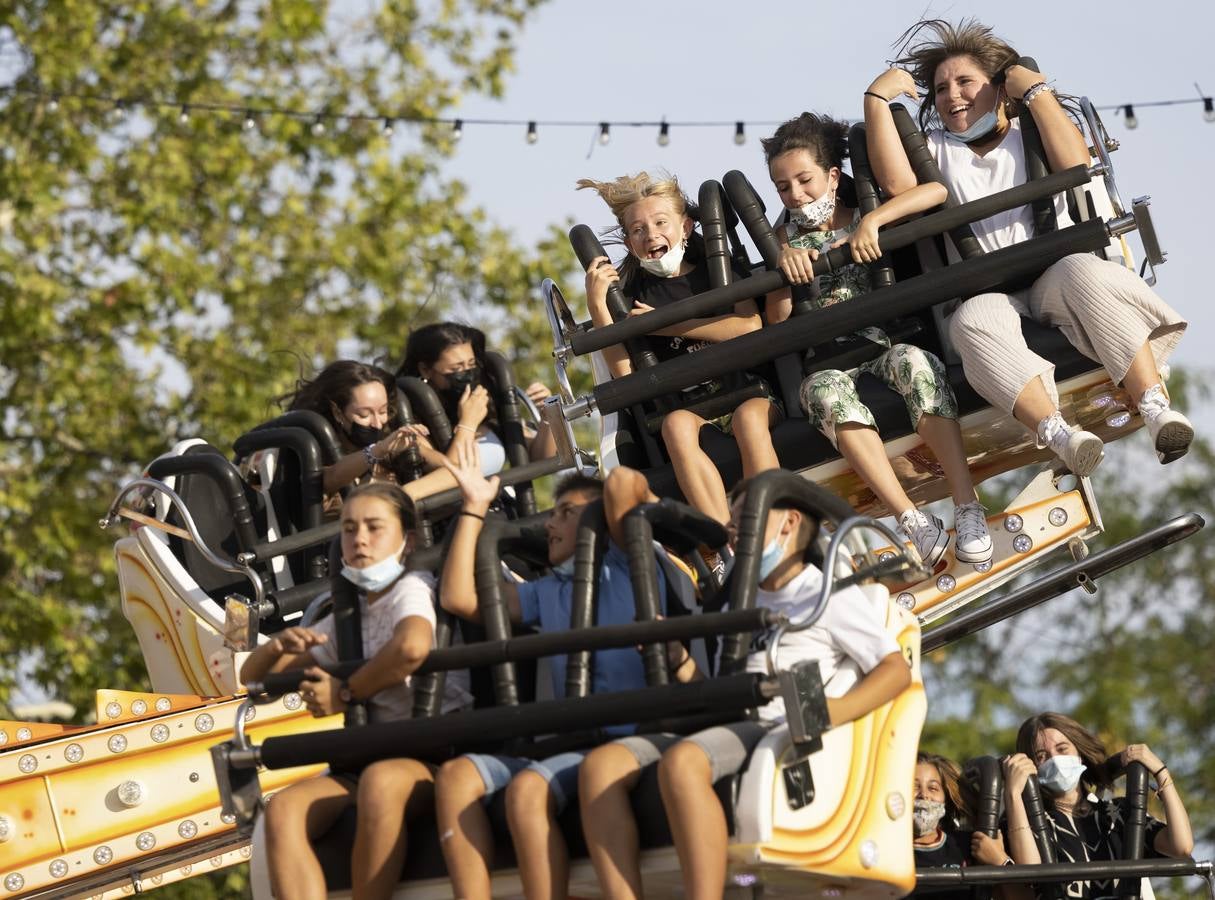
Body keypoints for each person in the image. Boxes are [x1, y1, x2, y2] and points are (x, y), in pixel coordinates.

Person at [863, 19, 1192, 475]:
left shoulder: (1029, 133)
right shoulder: (935, 149)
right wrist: (876, 100)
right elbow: (898, 184)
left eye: (965, 83)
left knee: (1086, 273)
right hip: (984, 289)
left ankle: (1155, 406)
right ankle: (1060, 435)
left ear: (998, 87)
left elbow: (1076, 162)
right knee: (972, 322)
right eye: (941, 89)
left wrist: (1034, 88)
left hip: (1052, 274)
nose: (952, 96)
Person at [581, 476, 912, 900]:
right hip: (719, 717)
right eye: (736, 525)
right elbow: (709, 686)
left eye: (746, 522)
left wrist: (828, 711)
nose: (736, 534)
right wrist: (677, 657)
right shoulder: (737, 596)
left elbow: (894, 669)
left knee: (684, 763)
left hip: (772, 728)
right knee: (600, 769)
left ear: (789, 523)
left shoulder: (822, 592)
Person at [436, 441, 680, 900]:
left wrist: (602, 510)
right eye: (554, 513)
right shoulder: (546, 591)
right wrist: (474, 507)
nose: (550, 523)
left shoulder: (629, 563)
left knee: (557, 784)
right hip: (577, 745)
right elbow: (456, 598)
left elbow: (626, 483)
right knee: (495, 785)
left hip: (644, 733)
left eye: (566, 512)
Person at [764, 112, 992, 566]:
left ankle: (967, 505)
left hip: (880, 342)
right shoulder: (781, 239)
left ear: (832, 177)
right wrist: (782, 272)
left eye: (805, 181)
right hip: (825, 358)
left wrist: (874, 223)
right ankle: (910, 520)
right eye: (783, 188)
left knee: (915, 363)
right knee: (827, 394)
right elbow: (776, 321)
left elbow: (935, 191)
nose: (796, 195)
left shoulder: (863, 212)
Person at [239, 482, 471, 900]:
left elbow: (412, 646)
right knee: (284, 810)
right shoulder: (348, 615)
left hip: (429, 753)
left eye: (373, 527)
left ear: (408, 539)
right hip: (365, 758)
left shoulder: (412, 589)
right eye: (348, 528)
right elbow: (254, 683)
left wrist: (345, 691)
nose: (359, 539)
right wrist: (276, 646)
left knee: (381, 783)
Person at [577, 172, 782, 528]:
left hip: (747, 393)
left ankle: (768, 526)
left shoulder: (719, 270)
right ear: (628, 244)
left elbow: (748, 326)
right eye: (638, 230)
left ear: (686, 227)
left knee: (748, 419)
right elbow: (624, 373)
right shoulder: (630, 298)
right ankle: (722, 542)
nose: (651, 235)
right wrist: (598, 307)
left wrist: (664, 323)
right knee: (674, 426)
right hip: (690, 408)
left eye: (660, 223)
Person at [1002, 712, 1194, 899]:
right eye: (1042, 756)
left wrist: (1161, 772)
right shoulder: (1025, 822)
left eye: (1062, 749)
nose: (1055, 760)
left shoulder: (1117, 813)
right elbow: (1029, 871)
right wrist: (1013, 793)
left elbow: (1181, 846)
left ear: (1080, 753)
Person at [395, 321, 557, 496]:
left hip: (501, 513)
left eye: (471, 365)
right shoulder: (412, 424)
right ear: (426, 370)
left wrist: (549, 415)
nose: (467, 374)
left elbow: (542, 459)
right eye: (456, 368)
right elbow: (454, 474)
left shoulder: (489, 409)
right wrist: (468, 423)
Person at [282, 360, 425, 512]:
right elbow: (331, 477)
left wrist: (404, 494)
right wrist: (377, 451)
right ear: (337, 412)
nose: (377, 424)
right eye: (364, 415)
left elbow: (449, 471)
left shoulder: (394, 439)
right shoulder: (313, 451)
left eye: (383, 411)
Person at [911, 751, 1025, 899]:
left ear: (945, 798)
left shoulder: (970, 844)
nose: (924, 795)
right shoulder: (881, 847)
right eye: (913, 786)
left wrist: (1000, 861)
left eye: (933, 788)